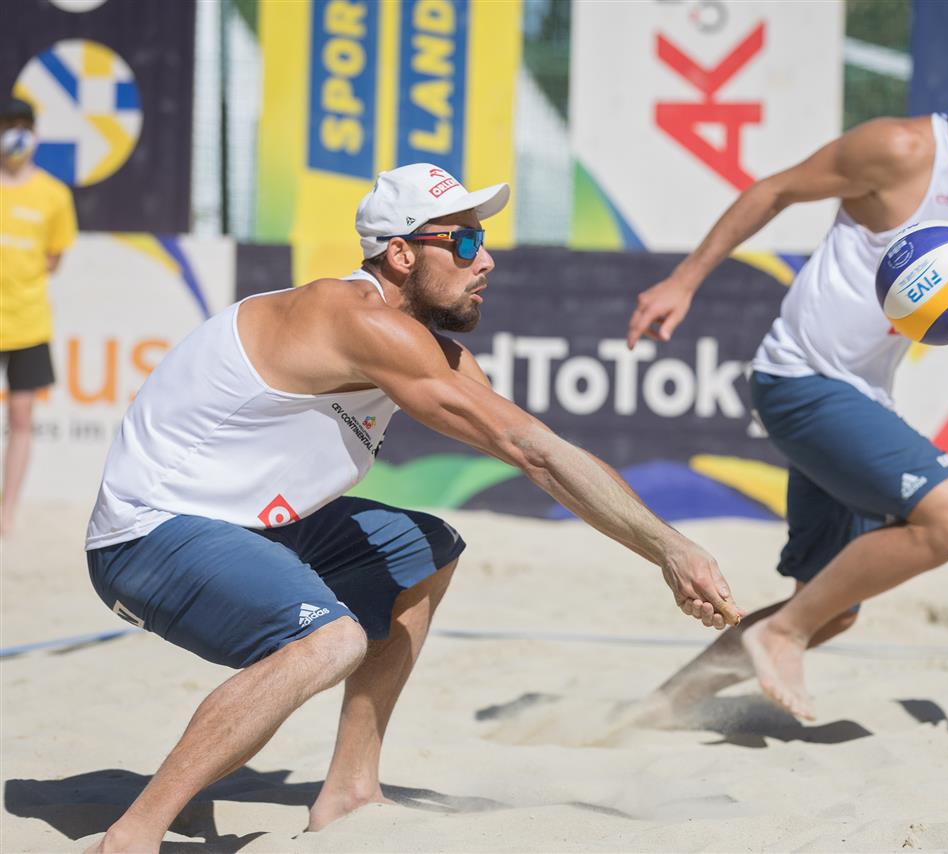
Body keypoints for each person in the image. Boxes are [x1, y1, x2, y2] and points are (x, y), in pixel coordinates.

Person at [83, 163, 744, 853]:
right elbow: (538, 456)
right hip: (147, 535)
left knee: (423, 549)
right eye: (461, 243)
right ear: (400, 254)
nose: (484, 259)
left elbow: (546, 455)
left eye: (482, 240)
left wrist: (668, 548)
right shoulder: (351, 317)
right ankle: (133, 835)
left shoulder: (427, 348)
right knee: (330, 639)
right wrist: (671, 549)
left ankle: (350, 789)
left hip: (243, 525)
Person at [625, 0, 948, 723]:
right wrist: (684, 279)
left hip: (862, 393)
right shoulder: (902, 150)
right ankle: (778, 634)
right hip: (799, 377)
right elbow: (775, 189)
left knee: (833, 609)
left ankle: (656, 711)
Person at [0, 96, 77, 536]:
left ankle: (7, 514)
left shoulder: (52, 194)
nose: (16, 135)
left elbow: (53, 257)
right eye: (8, 125)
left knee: (22, 419)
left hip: (27, 322)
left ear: (35, 133)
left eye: (22, 126)